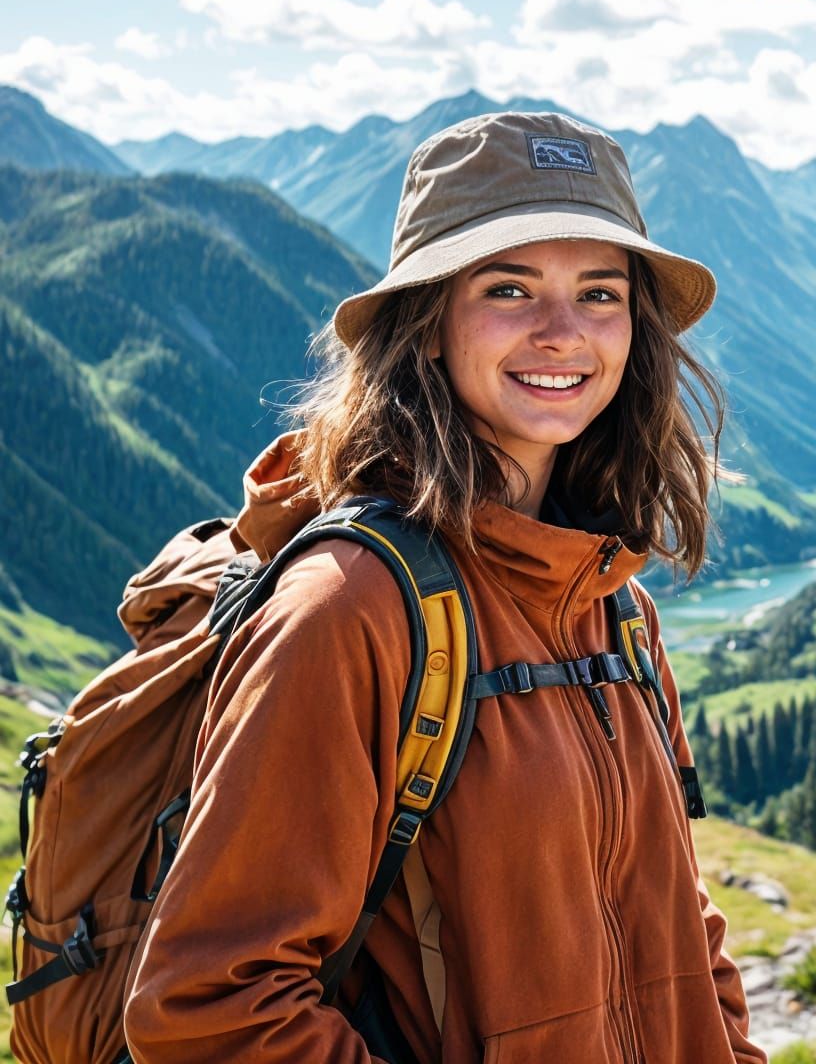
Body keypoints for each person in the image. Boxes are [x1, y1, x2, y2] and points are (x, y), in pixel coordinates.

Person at [124, 111, 768, 1064]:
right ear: (426, 324)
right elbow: (210, 1006)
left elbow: (676, 916)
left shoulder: (611, 601)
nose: (564, 333)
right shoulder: (348, 609)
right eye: (509, 289)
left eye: (600, 293)